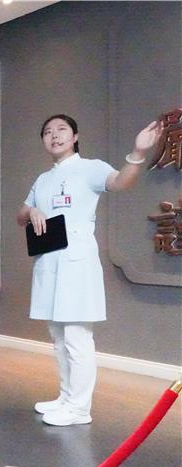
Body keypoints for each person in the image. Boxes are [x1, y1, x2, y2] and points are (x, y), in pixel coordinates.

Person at [16, 114, 161, 426]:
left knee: (76, 336)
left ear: (75, 136)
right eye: (48, 132)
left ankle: (80, 408)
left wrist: (138, 152)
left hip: (77, 263)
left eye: (62, 130)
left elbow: (121, 182)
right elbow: (21, 214)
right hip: (49, 263)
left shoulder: (90, 168)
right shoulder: (43, 179)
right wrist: (33, 210)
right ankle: (66, 397)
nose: (54, 135)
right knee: (57, 335)